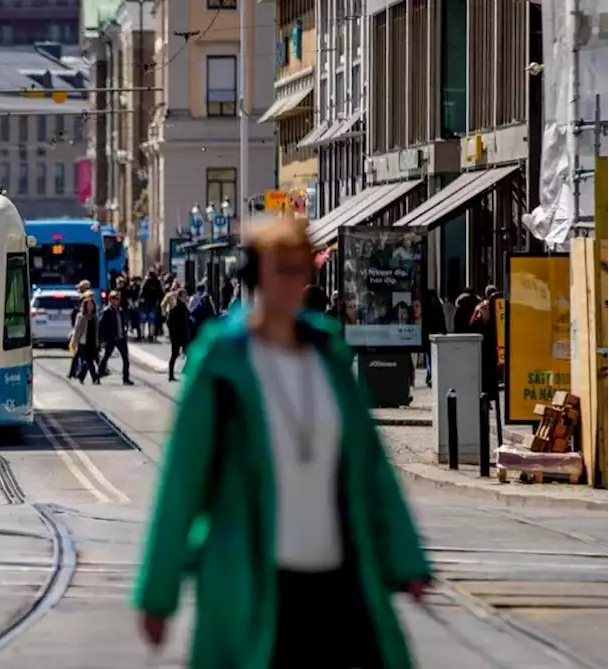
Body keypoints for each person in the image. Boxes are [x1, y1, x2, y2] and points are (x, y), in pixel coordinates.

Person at [134, 216, 429, 668]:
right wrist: (158, 593)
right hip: (251, 579)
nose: (293, 282)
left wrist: (406, 556)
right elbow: (182, 481)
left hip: (338, 580)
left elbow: (371, 466)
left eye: (300, 270)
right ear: (254, 276)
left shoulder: (327, 354)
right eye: (281, 269)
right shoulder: (222, 362)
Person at [97, 290, 133, 385]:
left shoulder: (120, 311)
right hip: (111, 338)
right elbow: (101, 326)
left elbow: (123, 322)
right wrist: (102, 338)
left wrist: (125, 331)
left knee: (125, 359)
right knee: (105, 357)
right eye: (116, 299)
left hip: (121, 338)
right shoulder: (106, 311)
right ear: (111, 300)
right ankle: (98, 375)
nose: (118, 301)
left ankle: (126, 378)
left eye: (118, 299)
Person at [69, 292, 101, 385]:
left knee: (91, 361)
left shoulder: (95, 317)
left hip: (93, 342)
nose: (90, 307)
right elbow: (77, 330)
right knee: (89, 361)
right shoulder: (81, 316)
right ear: (85, 306)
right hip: (84, 342)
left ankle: (81, 376)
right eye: (88, 305)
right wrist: (73, 342)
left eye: (92, 305)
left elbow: (97, 331)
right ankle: (95, 378)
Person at [163, 280, 191, 382]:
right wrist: (172, 333)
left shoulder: (183, 307)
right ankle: (171, 375)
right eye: (184, 296)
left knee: (189, 353)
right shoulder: (176, 309)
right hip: (178, 335)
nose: (186, 298)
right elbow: (169, 322)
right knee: (175, 355)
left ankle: (187, 372)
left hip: (183, 335)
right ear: (179, 297)